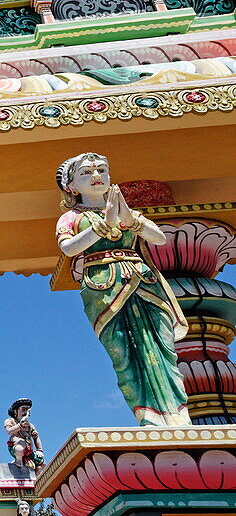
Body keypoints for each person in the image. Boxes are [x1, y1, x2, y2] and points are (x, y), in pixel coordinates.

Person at [55, 152, 190, 426]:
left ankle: (178, 415)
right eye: (86, 173)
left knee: (162, 348)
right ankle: (148, 416)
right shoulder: (70, 218)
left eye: (101, 170)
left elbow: (160, 238)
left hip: (143, 282)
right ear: (71, 186)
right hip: (103, 287)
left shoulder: (129, 213)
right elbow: (69, 248)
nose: (96, 176)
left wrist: (131, 221)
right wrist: (104, 225)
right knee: (123, 353)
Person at [3, 398, 44, 471]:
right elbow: (9, 431)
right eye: (23, 409)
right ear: (16, 411)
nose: (25, 412)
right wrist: (20, 425)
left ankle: (38, 481)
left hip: (29, 452)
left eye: (28, 410)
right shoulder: (10, 421)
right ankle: (18, 461)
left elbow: (36, 437)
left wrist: (39, 450)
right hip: (16, 448)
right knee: (20, 447)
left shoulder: (29, 425)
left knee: (42, 463)